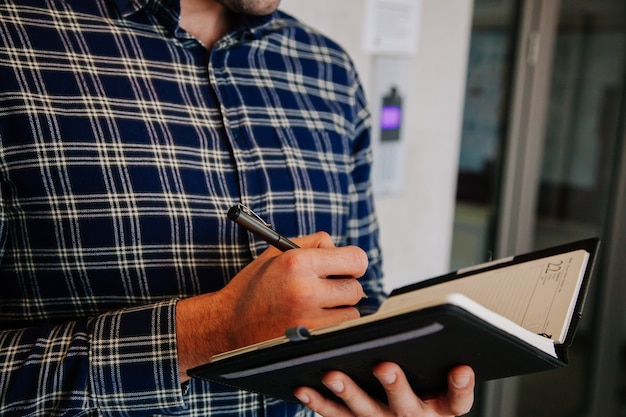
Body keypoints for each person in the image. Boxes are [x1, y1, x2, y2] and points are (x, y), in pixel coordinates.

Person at [0, 0, 475, 415]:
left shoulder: (329, 71)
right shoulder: (14, 38)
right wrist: (211, 332)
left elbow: (362, 302)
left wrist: (391, 392)